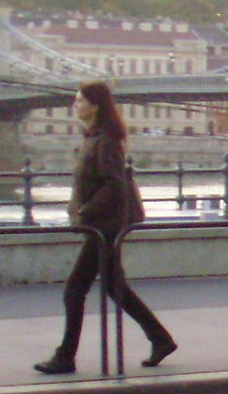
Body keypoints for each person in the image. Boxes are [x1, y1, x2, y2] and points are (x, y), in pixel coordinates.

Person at [35, 80, 177, 375]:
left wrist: (86, 210)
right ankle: (160, 339)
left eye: (80, 101)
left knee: (74, 289)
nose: (75, 105)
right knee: (114, 287)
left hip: (105, 227)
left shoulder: (105, 140)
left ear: (95, 105)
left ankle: (65, 357)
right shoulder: (93, 137)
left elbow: (113, 185)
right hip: (99, 225)